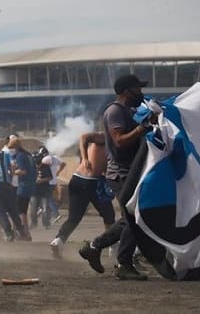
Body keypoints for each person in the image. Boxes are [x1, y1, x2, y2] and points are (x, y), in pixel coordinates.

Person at [78, 73, 153, 280]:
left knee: (134, 217)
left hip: (131, 172)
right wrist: (142, 129)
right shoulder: (115, 112)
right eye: (137, 89)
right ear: (126, 91)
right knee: (134, 218)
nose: (141, 92)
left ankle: (95, 247)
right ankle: (123, 263)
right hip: (121, 174)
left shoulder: (129, 111)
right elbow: (119, 141)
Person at [49, 133, 115, 258]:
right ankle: (113, 247)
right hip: (89, 181)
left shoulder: (112, 143)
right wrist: (85, 158)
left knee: (74, 217)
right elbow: (84, 137)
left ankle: (58, 241)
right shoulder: (105, 137)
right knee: (109, 215)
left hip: (80, 180)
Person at [8, 136, 34, 239]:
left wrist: (13, 172)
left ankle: (24, 233)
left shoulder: (20, 156)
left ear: (15, 147)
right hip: (30, 185)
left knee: (20, 211)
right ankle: (22, 233)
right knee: (22, 210)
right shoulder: (28, 154)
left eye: (11, 148)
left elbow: (23, 171)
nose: (10, 150)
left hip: (23, 186)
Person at [42, 147, 66, 224]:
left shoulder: (44, 159)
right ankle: (50, 216)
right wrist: (58, 171)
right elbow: (63, 164)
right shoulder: (54, 158)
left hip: (47, 182)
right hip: (53, 181)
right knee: (49, 199)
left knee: (48, 199)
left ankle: (56, 214)